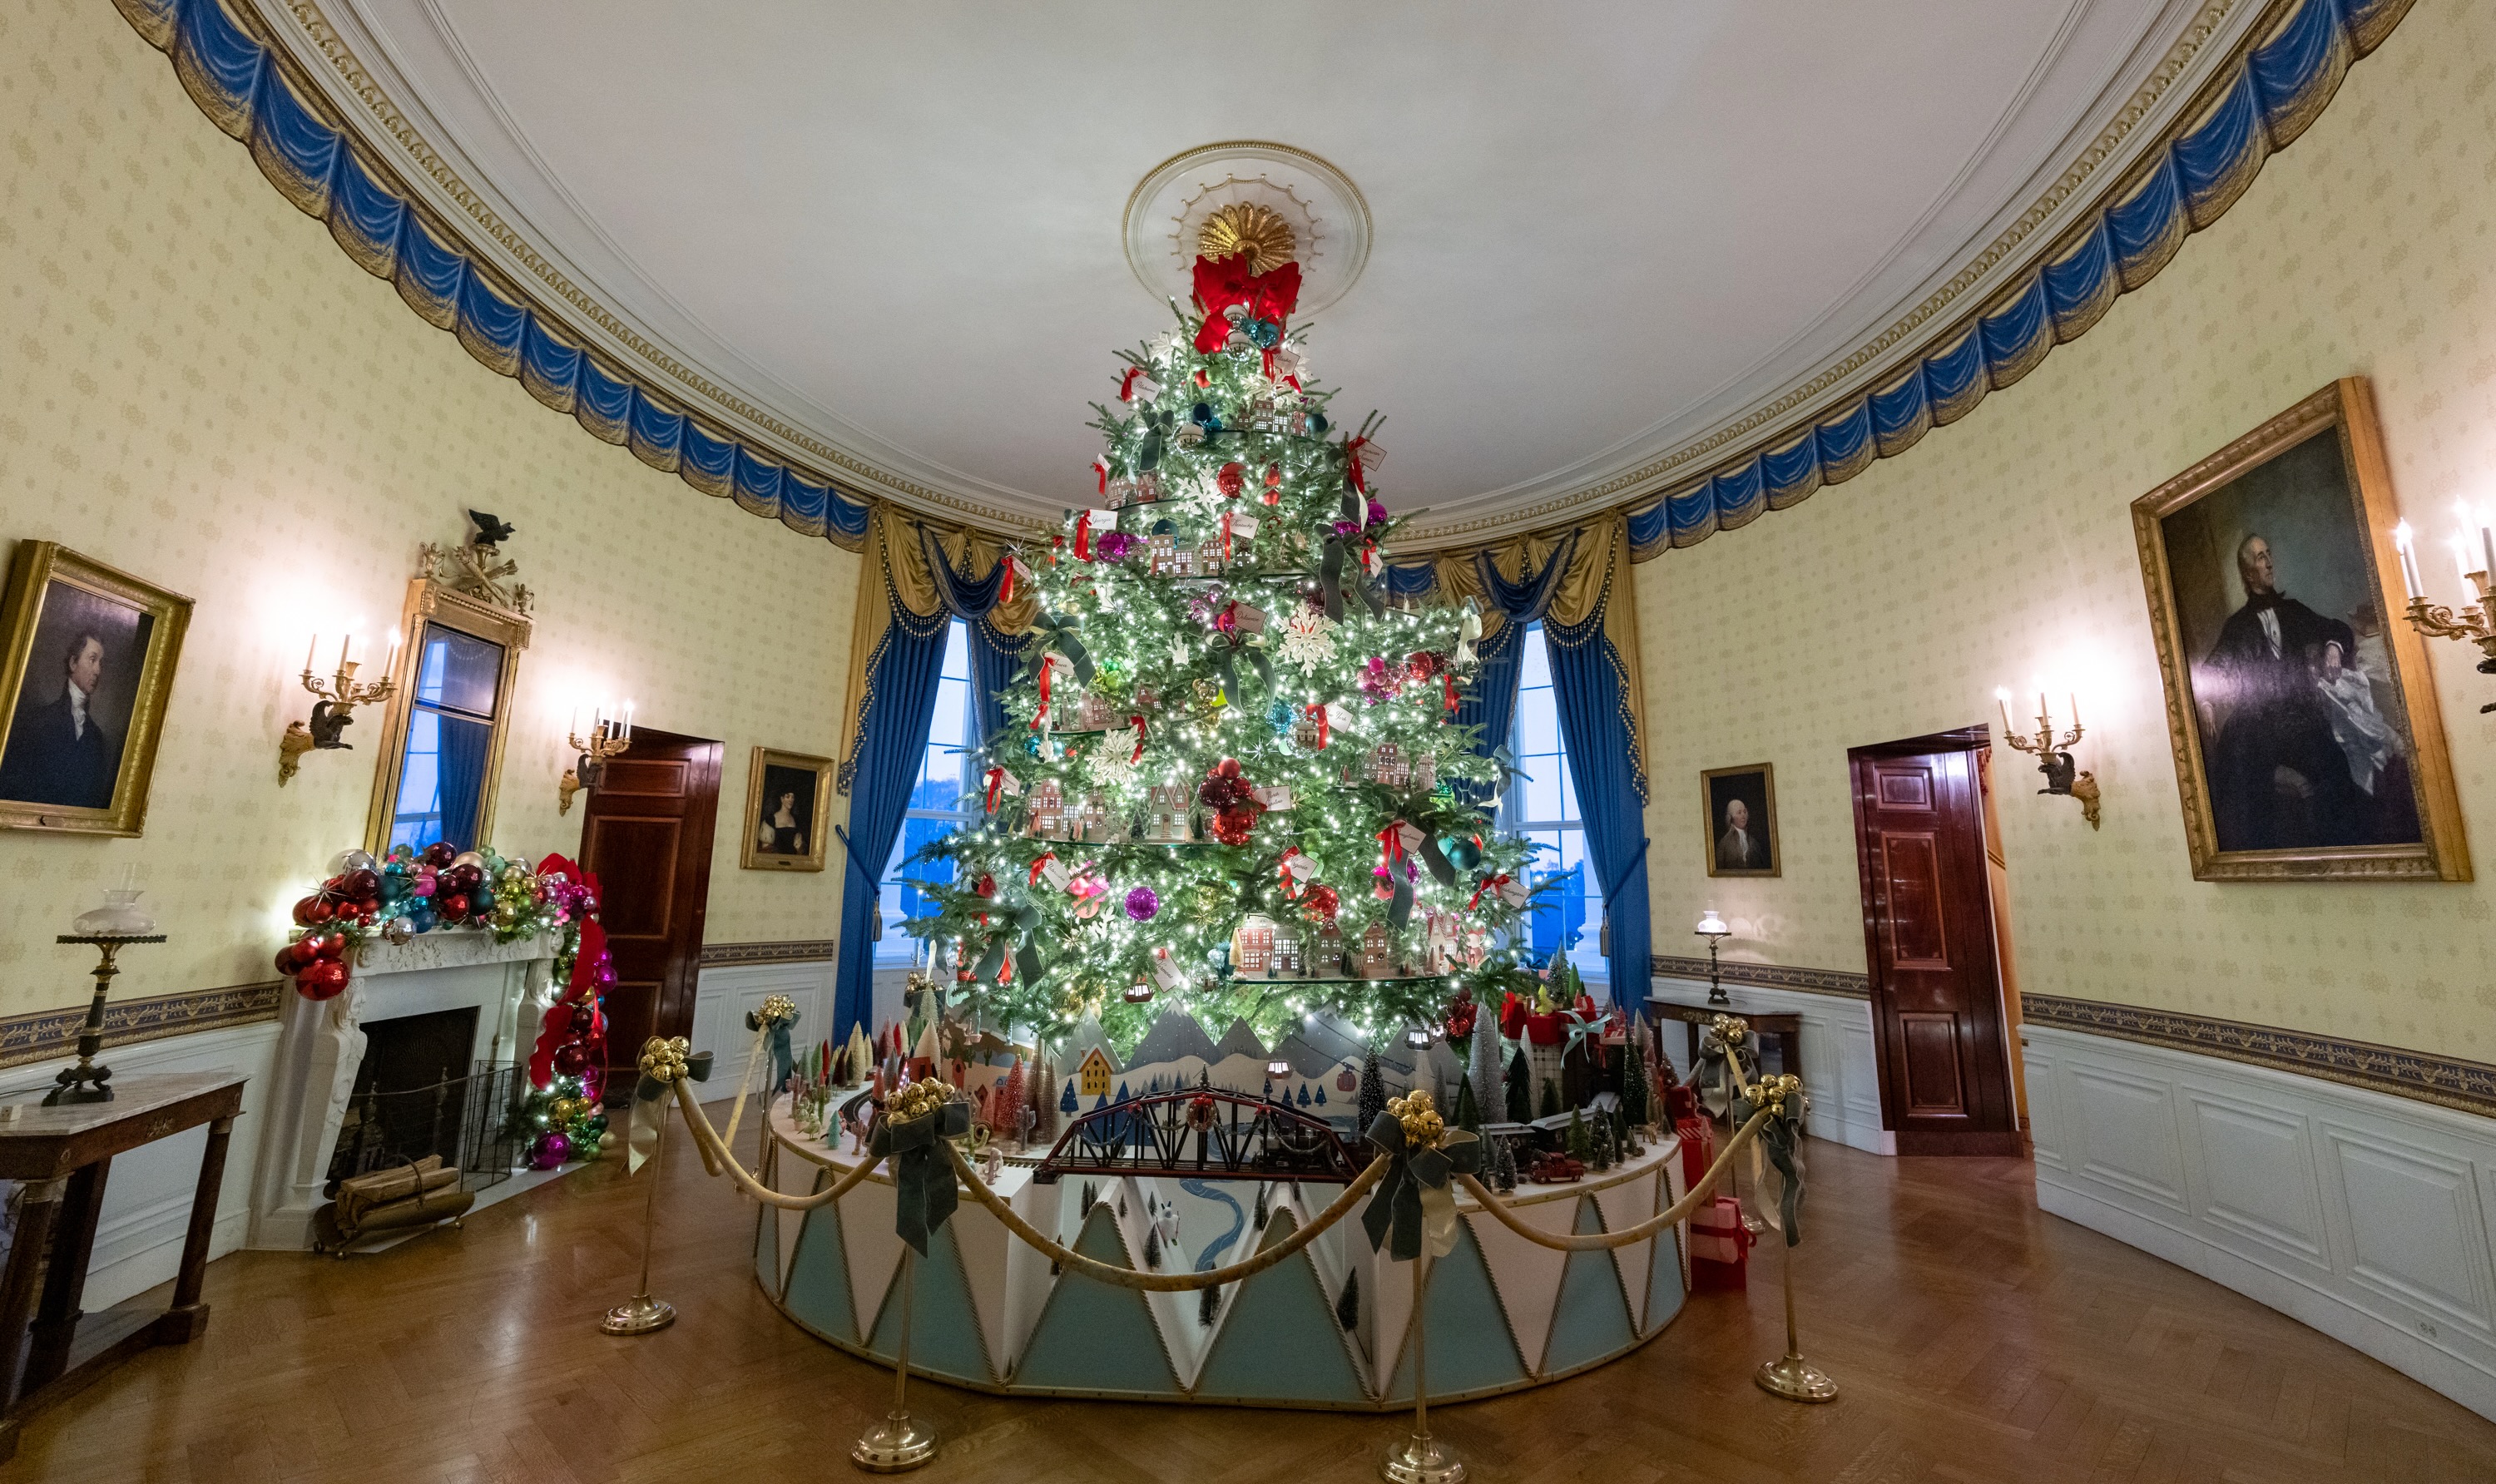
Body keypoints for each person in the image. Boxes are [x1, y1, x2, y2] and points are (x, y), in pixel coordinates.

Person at [2201, 533, 2408, 849]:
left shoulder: (2293, 611)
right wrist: (2205, 701)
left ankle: (2342, 853)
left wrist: (2333, 647)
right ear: (2247, 572)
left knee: (2334, 767)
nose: (2269, 562)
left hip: (2298, 719)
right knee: (2239, 776)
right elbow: (2214, 668)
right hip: (2254, 724)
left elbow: (2336, 628)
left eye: (2269, 554)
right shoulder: (2237, 625)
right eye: (2260, 557)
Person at [0, 631, 118, 809]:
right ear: (73, 663)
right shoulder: (39, 721)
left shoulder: (95, 736)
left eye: (101, 663)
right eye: (92, 660)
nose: (98, 671)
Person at [1715, 795, 1770, 870]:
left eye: (1744, 812)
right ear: (1731, 817)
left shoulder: (1754, 843)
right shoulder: (1724, 844)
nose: (1743, 815)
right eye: (1739, 812)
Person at [756, 789, 807, 854]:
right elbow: (766, 850)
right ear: (782, 799)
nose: (791, 800)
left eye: (792, 797)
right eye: (787, 797)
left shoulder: (796, 820)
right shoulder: (770, 820)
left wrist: (799, 848)